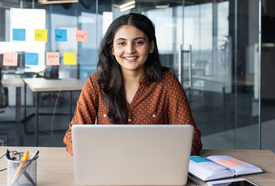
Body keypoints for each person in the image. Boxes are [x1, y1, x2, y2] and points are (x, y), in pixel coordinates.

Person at [63, 13, 202, 155]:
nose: (130, 50)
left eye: (139, 42)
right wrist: (95, 157)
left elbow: (192, 140)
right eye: (122, 43)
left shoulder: (167, 83)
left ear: (151, 46)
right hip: (108, 168)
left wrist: (158, 156)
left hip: (155, 168)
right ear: (112, 49)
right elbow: (73, 137)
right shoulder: (96, 83)